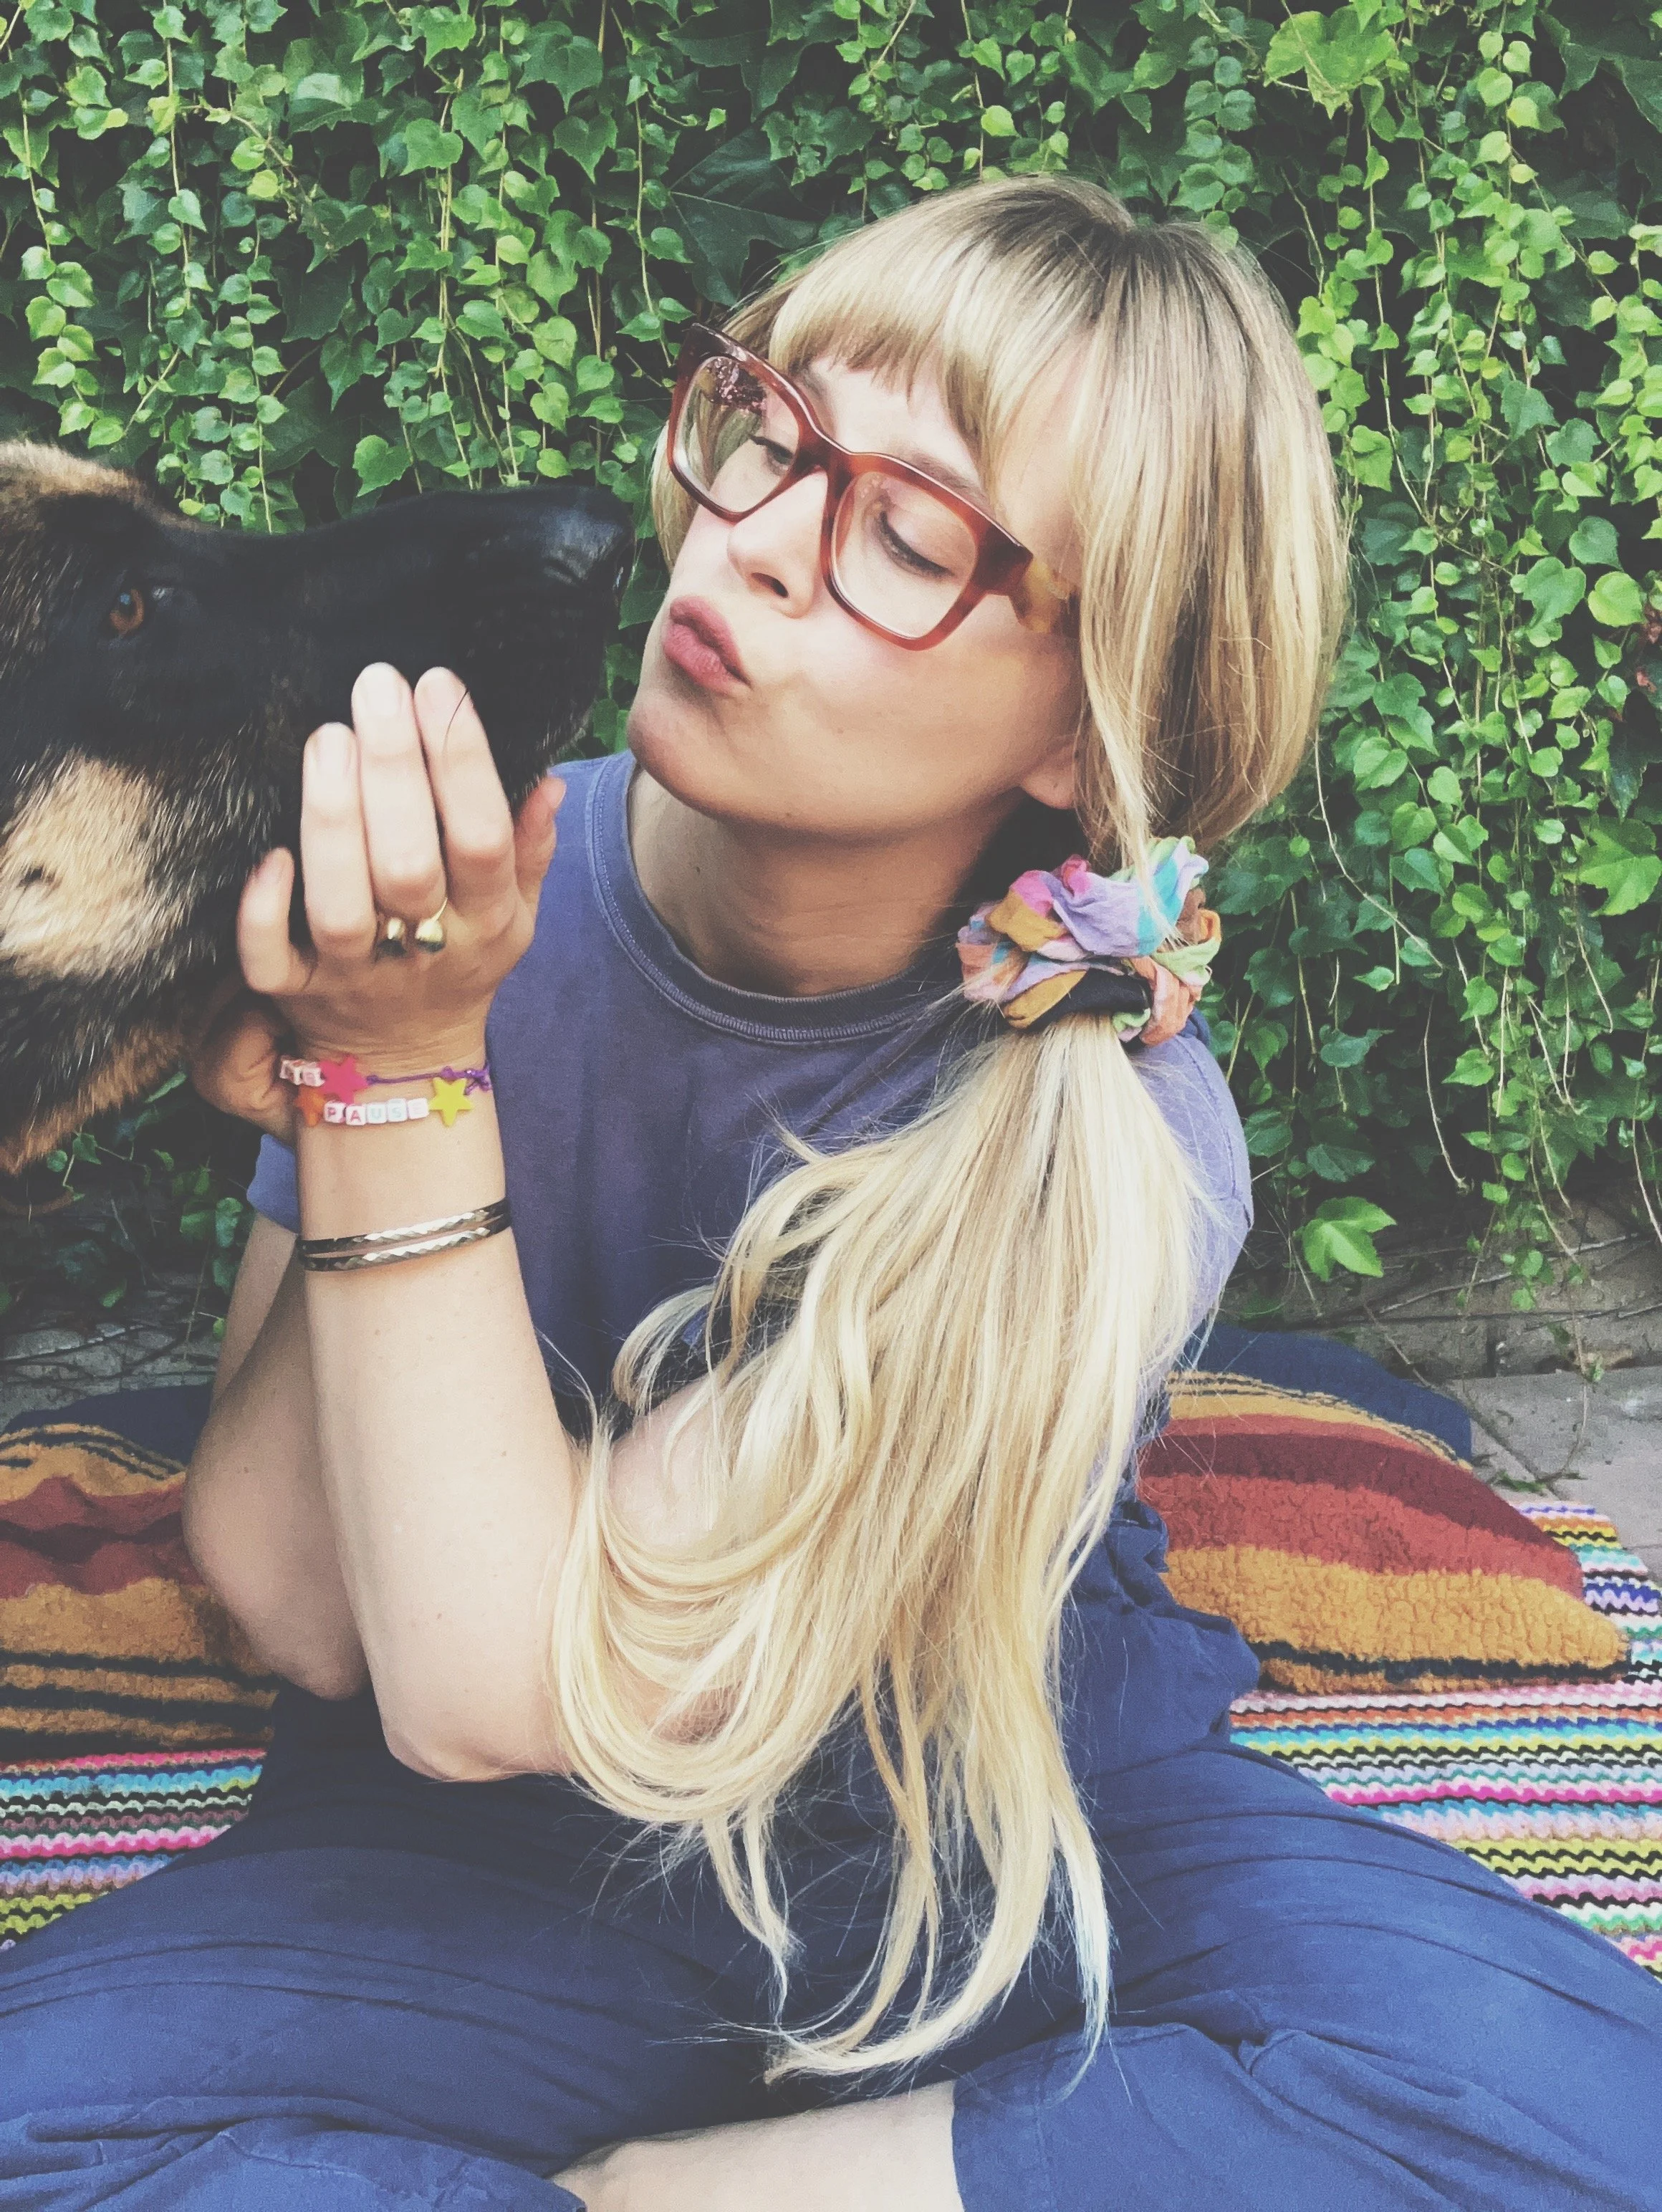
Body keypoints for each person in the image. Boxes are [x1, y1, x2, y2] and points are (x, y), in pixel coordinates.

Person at [1, 177, 1658, 2212]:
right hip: (484, 1864)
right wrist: (380, 1079)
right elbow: (313, 1616)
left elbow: (528, 1656)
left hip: (980, 1812)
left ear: (1086, 722)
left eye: (905, 535)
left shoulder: (1104, 1114)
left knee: (1569, 2112)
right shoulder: (476, 906)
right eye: (771, 433)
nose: (758, 542)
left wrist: (691, 2187)